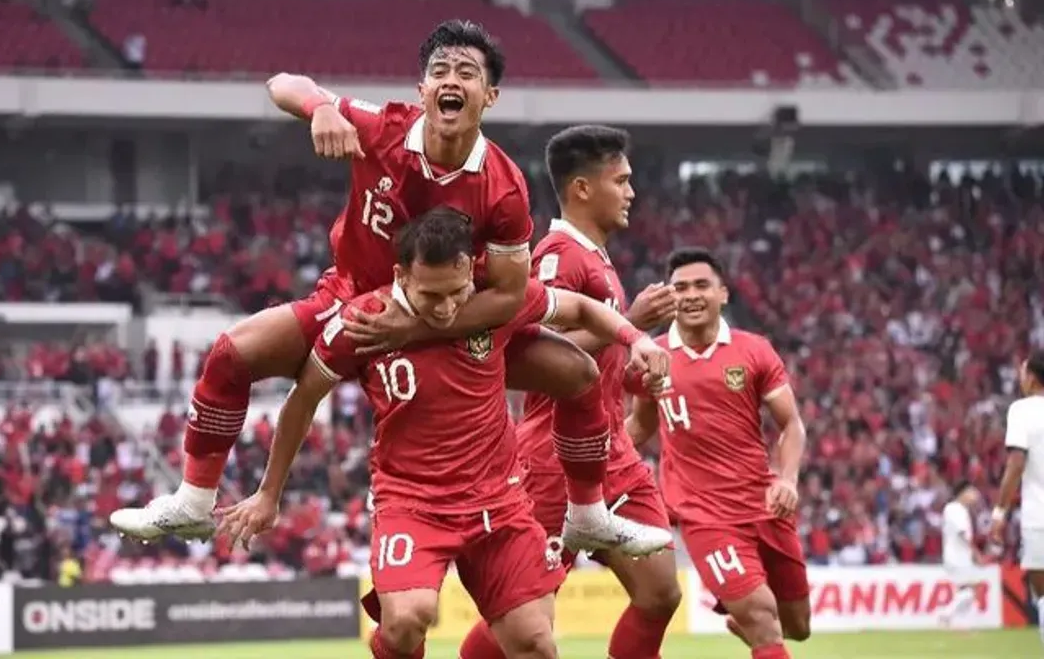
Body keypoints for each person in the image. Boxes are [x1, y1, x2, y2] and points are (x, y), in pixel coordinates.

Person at [113, 20, 638, 553]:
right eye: (439, 72)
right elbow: (281, 82)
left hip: (443, 320)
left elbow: (506, 294)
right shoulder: (382, 128)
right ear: (422, 91)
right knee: (232, 354)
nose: (450, 80)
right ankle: (194, 503)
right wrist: (320, 107)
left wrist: (415, 322)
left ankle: (588, 516)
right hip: (351, 303)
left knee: (578, 374)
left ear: (490, 95)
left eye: (466, 72)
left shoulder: (503, 187)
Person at [216, 208, 673, 659]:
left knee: (535, 642)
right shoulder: (362, 322)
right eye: (431, 295)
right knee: (405, 622)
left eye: (457, 291)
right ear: (402, 274)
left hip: (499, 502)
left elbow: (577, 307)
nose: (447, 307)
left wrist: (638, 339)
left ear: (469, 270)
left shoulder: (492, 306)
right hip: (413, 502)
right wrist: (268, 493)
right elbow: (303, 399)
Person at [458, 126, 682, 659]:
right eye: (621, 181)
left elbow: (592, 362)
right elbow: (527, 359)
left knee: (660, 591)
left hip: (613, 450)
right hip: (556, 456)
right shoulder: (558, 255)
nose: (631, 192)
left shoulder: (598, 259)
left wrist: (633, 372)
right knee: (528, 617)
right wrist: (627, 323)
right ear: (583, 188)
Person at [628, 247, 810, 659]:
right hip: (704, 515)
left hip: (764, 504)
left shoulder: (754, 351)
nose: (690, 295)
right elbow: (641, 424)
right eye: (680, 288)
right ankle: (753, 621)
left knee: (798, 626)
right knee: (764, 616)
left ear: (723, 293)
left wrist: (788, 477)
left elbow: (792, 425)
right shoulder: (650, 356)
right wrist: (597, 454)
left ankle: (744, 622)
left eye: (701, 285)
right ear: (668, 297)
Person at [991, 350, 1044, 648]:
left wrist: (999, 513)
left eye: (1023, 373)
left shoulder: (1022, 410)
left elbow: (1016, 464)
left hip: (1040, 517)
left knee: (1043, 594)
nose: (1020, 379)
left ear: (1033, 378)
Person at [940, 481, 983, 629]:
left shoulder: (959, 509)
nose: (974, 495)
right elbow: (962, 534)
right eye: (971, 492)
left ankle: (962, 624)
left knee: (967, 590)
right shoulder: (954, 509)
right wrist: (976, 553)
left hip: (958, 556)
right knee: (970, 589)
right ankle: (946, 614)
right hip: (957, 556)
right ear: (963, 493)